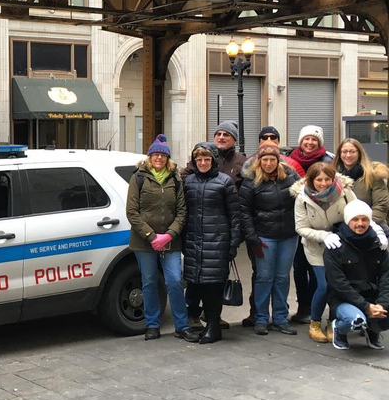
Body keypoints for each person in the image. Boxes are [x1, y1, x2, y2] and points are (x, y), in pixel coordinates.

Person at [291, 162, 388, 343]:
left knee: (340, 284)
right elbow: (301, 227)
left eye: (327, 179)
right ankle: (315, 321)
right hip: (317, 248)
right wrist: (324, 235)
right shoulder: (302, 198)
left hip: (343, 247)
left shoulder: (344, 192)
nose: (323, 183)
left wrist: (377, 231)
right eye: (319, 179)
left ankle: (333, 321)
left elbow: (358, 211)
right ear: (311, 180)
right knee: (324, 285)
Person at [125, 135, 192, 342]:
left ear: (168, 158)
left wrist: (169, 234)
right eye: (155, 154)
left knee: (174, 281)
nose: (159, 158)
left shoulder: (175, 179)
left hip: (171, 241)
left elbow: (182, 211)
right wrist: (152, 236)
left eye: (163, 155)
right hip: (144, 242)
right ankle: (152, 324)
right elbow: (131, 211)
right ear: (149, 156)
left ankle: (182, 325)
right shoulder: (138, 177)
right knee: (149, 282)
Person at [181, 121, 245, 330]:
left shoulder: (239, 165)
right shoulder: (189, 179)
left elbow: (235, 212)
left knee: (215, 281)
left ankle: (213, 318)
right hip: (195, 236)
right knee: (194, 280)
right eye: (218, 133)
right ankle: (193, 315)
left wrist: (234, 242)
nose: (221, 137)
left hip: (218, 237)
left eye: (227, 134)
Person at [238, 127, 304, 327]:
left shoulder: (291, 178)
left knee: (282, 278)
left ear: (278, 161)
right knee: (264, 278)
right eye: (265, 159)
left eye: (272, 159)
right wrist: (253, 239)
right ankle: (260, 318)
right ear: (259, 161)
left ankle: (281, 318)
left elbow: (303, 201)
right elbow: (244, 213)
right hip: (264, 238)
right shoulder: (250, 183)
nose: (268, 163)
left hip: (288, 237)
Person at [325, 200, 389, 350]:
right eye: (355, 219)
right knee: (354, 320)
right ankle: (339, 330)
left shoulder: (378, 245)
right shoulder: (336, 246)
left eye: (364, 219)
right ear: (348, 221)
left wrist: (382, 304)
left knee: (384, 313)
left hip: (372, 297)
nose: (360, 223)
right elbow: (338, 283)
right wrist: (366, 307)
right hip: (344, 300)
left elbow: (386, 278)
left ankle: (373, 329)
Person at [289, 125, 335, 325]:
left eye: (314, 139)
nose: (310, 142)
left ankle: (317, 307)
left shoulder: (329, 161)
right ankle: (303, 306)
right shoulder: (290, 160)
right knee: (299, 267)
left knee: (318, 268)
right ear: (300, 141)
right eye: (306, 139)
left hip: (323, 226)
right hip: (298, 221)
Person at [334, 138, 389, 227]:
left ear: (359, 153)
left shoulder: (373, 175)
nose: (348, 155)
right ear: (339, 154)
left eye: (352, 152)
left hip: (371, 223)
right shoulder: (332, 176)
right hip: (342, 225)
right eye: (344, 152)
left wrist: (366, 223)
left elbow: (381, 204)